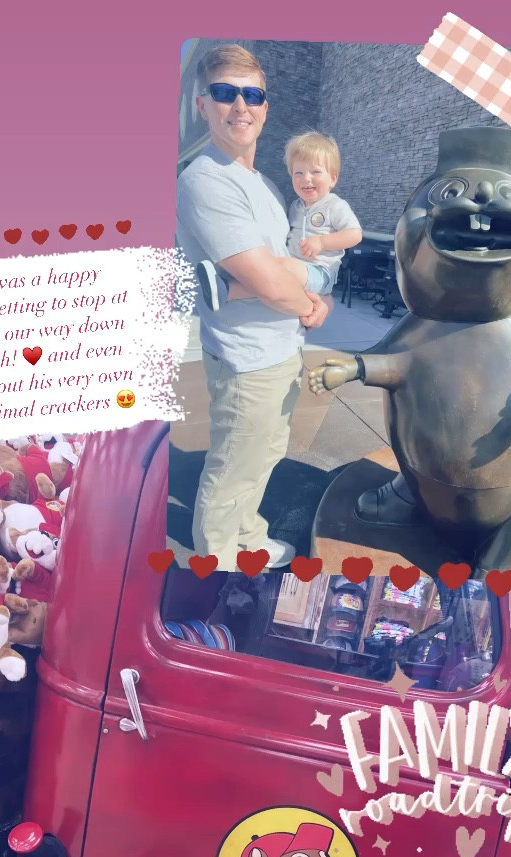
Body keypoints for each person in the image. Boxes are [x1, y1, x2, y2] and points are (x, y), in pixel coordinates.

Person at [176, 44, 333, 571]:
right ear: (204, 104)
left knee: (263, 457)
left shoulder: (262, 183)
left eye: (252, 94)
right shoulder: (206, 180)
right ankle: (217, 562)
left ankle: (250, 537)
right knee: (232, 468)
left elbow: (286, 267)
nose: (240, 105)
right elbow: (268, 278)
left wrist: (305, 293)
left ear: (265, 105)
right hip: (247, 360)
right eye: (225, 93)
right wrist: (301, 295)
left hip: (281, 347)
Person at [198, 131, 362, 309]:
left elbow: (355, 234)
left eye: (315, 171)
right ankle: (226, 290)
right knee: (268, 277)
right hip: (295, 268)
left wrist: (322, 242)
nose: (306, 178)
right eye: (298, 173)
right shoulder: (295, 206)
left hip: (320, 273)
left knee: (276, 271)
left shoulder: (335, 205)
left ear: (333, 178)